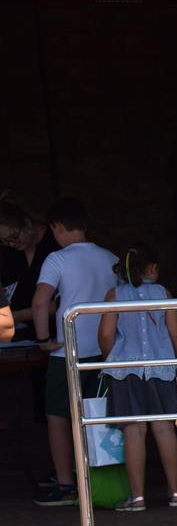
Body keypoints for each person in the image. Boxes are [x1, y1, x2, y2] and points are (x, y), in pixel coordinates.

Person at [30, 198, 117, 507]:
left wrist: (43, 338)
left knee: (58, 415)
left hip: (68, 350)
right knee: (98, 415)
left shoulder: (57, 259)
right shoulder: (111, 258)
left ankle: (67, 482)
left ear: (57, 227)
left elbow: (41, 301)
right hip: (104, 349)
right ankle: (101, 477)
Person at [96, 243, 177, 511]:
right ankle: (176, 493)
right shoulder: (163, 293)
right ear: (153, 268)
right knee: (164, 429)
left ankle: (138, 498)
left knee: (134, 432)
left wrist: (107, 356)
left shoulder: (115, 295)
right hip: (161, 369)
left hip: (126, 371)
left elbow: (105, 335)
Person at [1, 199, 61, 339]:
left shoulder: (55, 244)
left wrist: (22, 315)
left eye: (13, 237)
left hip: (55, 334)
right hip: (18, 337)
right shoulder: (8, 253)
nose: (11, 244)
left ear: (27, 224)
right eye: (4, 241)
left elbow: (66, 300)